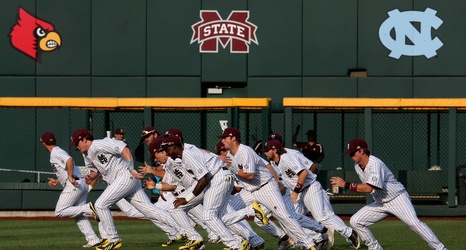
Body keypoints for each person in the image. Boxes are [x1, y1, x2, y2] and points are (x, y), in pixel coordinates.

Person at [330, 138, 447, 250]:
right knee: (356, 221)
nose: (351, 156)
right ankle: (375, 248)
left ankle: (440, 248)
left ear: (361, 151)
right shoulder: (357, 166)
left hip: (397, 198)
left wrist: (345, 184)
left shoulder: (375, 163)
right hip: (380, 202)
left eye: (353, 153)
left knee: (414, 224)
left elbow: (370, 188)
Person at [71, 128, 174, 250]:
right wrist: (91, 176)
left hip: (124, 176)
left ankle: (113, 239)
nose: (76, 147)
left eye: (77, 144)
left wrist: (131, 169)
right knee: (149, 210)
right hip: (121, 181)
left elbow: (124, 148)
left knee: (100, 205)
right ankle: (182, 230)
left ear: (84, 139)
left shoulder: (100, 143)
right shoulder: (86, 154)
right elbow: (95, 170)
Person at [219, 127, 318, 250]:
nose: (222, 141)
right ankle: (245, 237)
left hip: (265, 187)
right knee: (223, 213)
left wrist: (233, 169)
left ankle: (309, 244)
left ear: (233, 138)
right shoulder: (229, 155)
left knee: (285, 217)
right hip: (250, 191)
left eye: (224, 138)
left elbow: (250, 175)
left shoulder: (245, 151)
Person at [264, 139, 359, 249]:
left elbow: (304, 173)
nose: (265, 153)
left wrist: (295, 192)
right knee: (292, 218)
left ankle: (349, 233)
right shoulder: (273, 162)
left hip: (310, 188)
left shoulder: (286, 157)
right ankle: (319, 238)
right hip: (299, 191)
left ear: (274, 150)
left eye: (267, 150)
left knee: (322, 217)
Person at [40, 132, 101, 248]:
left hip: (74, 184)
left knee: (60, 211)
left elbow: (69, 160)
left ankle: (88, 208)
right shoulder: (57, 151)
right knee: (78, 214)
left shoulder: (55, 152)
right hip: (80, 182)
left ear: (43, 143)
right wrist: (58, 181)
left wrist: (69, 177)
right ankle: (93, 240)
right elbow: (67, 167)